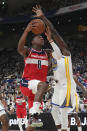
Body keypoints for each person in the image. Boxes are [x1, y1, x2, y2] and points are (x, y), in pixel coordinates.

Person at [18, 18, 50, 128]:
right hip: (26, 84)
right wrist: (27, 31)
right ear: (32, 42)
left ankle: (32, 118)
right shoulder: (28, 51)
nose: (41, 37)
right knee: (44, 84)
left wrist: (51, 39)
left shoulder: (47, 53)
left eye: (42, 37)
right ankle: (33, 117)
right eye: (38, 36)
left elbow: (60, 52)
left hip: (36, 92)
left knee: (33, 125)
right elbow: (20, 48)